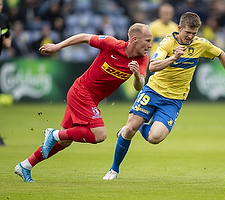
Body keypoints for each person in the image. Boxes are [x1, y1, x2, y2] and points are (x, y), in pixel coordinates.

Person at [103, 12, 225, 180]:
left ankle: (138, 126)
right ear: (180, 28)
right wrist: (174, 57)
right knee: (129, 129)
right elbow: (152, 67)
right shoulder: (167, 42)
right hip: (153, 91)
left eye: (194, 33)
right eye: (187, 32)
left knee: (155, 138)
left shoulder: (201, 44)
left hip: (174, 99)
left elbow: (221, 54)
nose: (190, 36)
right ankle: (114, 170)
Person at [14, 23, 152, 182]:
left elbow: (139, 86)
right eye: (147, 41)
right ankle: (53, 134)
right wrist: (57, 47)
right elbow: (84, 37)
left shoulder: (142, 59)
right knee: (99, 135)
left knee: (65, 141)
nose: (149, 45)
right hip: (81, 91)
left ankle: (25, 165)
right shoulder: (112, 44)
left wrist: (136, 75)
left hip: (90, 98)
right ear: (134, 39)